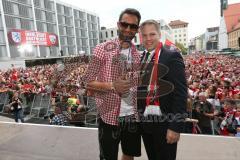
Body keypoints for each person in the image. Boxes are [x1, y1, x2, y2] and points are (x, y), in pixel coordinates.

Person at [84, 8, 141, 160]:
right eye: (125, 24)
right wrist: (112, 86)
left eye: (133, 26)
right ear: (118, 24)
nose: (128, 29)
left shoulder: (137, 53)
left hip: (131, 117)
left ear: (137, 29)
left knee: (129, 155)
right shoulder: (102, 49)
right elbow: (88, 82)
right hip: (108, 117)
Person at [137, 20, 187, 160]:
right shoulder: (142, 58)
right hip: (146, 124)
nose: (148, 39)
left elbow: (180, 93)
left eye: (152, 34)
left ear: (159, 34)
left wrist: (175, 127)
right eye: (144, 35)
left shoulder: (172, 56)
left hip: (166, 125)